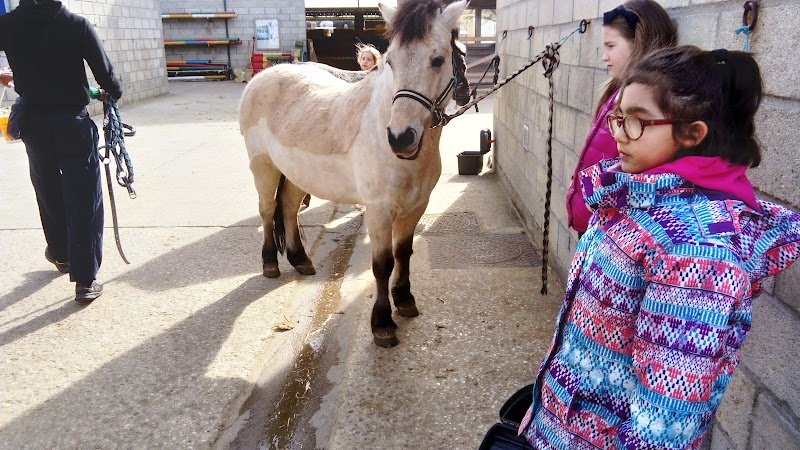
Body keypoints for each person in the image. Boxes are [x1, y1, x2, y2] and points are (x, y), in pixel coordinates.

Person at [518, 46, 800, 449]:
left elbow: (664, 421)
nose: (618, 133)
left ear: (691, 133)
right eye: (618, 117)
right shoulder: (632, 198)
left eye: (638, 122)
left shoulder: (698, 252)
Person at [0, 0, 123, 302]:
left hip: (34, 124)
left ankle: (60, 254)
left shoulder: (8, 25)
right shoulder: (77, 26)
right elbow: (107, 79)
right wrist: (112, 93)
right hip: (72, 123)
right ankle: (84, 280)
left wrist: (15, 79)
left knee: (47, 188)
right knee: (83, 197)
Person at [566, 0, 676, 235]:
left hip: (609, 226)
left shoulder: (646, 101)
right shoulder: (616, 93)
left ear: (639, 43)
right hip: (594, 216)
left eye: (611, 46)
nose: (604, 57)